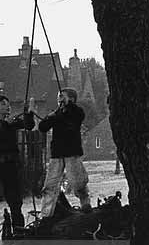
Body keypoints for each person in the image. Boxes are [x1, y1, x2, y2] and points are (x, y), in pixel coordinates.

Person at [38, 88, 91, 218]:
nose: (59, 99)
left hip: (72, 152)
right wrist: (53, 115)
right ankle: (46, 215)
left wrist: (69, 105)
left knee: (78, 182)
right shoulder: (56, 114)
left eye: (62, 96)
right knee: (50, 186)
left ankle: (85, 203)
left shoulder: (76, 112)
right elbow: (43, 127)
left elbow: (78, 116)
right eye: (58, 97)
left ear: (71, 99)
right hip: (57, 154)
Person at [0, 95, 36, 231]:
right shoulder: (7, 123)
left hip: (10, 165)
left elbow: (29, 125)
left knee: (14, 198)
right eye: (3, 104)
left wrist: (29, 112)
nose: (7, 106)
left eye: (8, 104)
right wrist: (5, 123)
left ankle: (18, 228)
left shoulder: (11, 122)